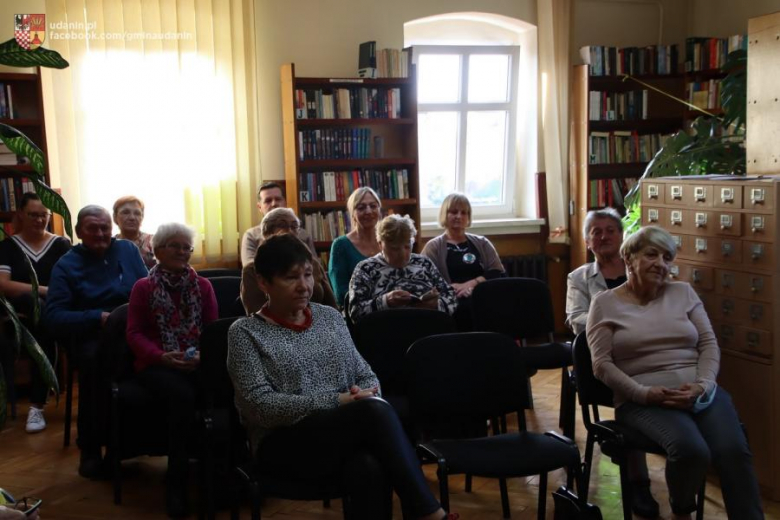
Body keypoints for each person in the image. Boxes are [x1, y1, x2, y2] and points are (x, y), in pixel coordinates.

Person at [227, 234, 457, 520]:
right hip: (282, 444)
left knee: (368, 465)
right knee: (373, 413)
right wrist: (339, 401)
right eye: (290, 278)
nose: (304, 286)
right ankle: (429, 513)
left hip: (346, 431)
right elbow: (260, 407)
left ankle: (427, 512)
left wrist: (364, 392)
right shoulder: (245, 333)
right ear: (263, 283)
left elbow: (365, 372)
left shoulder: (329, 317)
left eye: (308, 275)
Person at [587, 226, 763, 520]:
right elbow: (601, 364)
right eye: (652, 254)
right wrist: (643, 393)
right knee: (691, 450)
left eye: (667, 257)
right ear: (629, 259)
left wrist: (703, 385)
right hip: (642, 399)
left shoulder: (683, 292)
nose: (661, 264)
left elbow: (708, 344)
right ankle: (682, 510)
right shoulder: (605, 304)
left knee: (733, 451)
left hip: (698, 393)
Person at [566, 208, 659, 517]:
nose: (604, 236)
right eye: (596, 231)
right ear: (587, 240)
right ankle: (639, 482)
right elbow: (575, 318)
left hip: (647, 353)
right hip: (603, 359)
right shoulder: (579, 278)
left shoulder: (643, 268)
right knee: (629, 392)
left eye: (610, 230)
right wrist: (613, 326)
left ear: (622, 236)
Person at [45, 205, 148, 478]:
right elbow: (53, 316)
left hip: (132, 329)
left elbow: (148, 289)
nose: (101, 233)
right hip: (92, 334)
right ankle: (91, 449)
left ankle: (133, 442)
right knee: (98, 365)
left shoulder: (127, 250)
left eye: (105, 227)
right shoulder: (66, 264)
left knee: (158, 359)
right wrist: (97, 317)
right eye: (92, 228)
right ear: (79, 232)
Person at [126, 223, 217, 517]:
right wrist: (161, 355)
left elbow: (212, 331)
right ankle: (176, 484)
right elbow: (135, 333)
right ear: (158, 250)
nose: (181, 252)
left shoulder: (203, 286)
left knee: (220, 388)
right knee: (182, 396)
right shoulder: (143, 287)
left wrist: (202, 355)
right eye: (174, 246)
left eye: (186, 247)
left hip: (196, 359)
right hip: (156, 363)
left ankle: (219, 475)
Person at [0, 193, 70, 434]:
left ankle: (36, 406)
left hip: (54, 315)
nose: (39, 220)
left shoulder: (61, 244)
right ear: (20, 214)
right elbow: (4, 284)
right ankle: (37, 405)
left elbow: (71, 282)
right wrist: (45, 290)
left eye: (44, 215)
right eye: (33, 214)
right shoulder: (8, 246)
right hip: (17, 320)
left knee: (43, 331)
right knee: (31, 303)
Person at [348, 214, 457, 323]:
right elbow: (355, 313)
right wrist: (386, 301)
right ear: (380, 244)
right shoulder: (366, 269)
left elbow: (451, 298)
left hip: (427, 329)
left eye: (407, 246)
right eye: (394, 248)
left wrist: (436, 305)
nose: (402, 254)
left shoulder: (424, 263)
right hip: (386, 332)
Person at [421, 193, 504, 329]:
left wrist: (471, 285)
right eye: (453, 212)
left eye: (464, 213)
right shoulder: (433, 246)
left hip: (481, 296)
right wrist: (453, 289)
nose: (459, 216)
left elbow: (497, 272)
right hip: (449, 300)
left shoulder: (482, 243)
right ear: (444, 214)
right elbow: (425, 279)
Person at [241, 208, 336, 314]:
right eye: (282, 225)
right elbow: (256, 314)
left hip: (319, 324)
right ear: (267, 233)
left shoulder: (311, 263)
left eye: (294, 226)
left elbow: (332, 306)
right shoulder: (253, 269)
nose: (290, 231)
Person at [328, 187, 382, 307]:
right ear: (352, 213)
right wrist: (378, 302)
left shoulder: (389, 241)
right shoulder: (340, 245)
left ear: (379, 209)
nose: (368, 211)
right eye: (361, 207)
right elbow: (340, 294)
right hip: (357, 314)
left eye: (373, 206)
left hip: (391, 310)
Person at [240, 181, 315, 266]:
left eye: (278, 199)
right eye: (268, 201)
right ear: (260, 207)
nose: (274, 203)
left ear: (285, 203)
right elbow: (249, 268)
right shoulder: (251, 235)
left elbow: (315, 268)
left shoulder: (303, 235)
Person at [113, 195, 155, 270]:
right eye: (125, 212)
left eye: (137, 213)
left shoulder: (154, 242)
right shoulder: (109, 245)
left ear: (142, 217)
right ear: (115, 217)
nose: (132, 217)